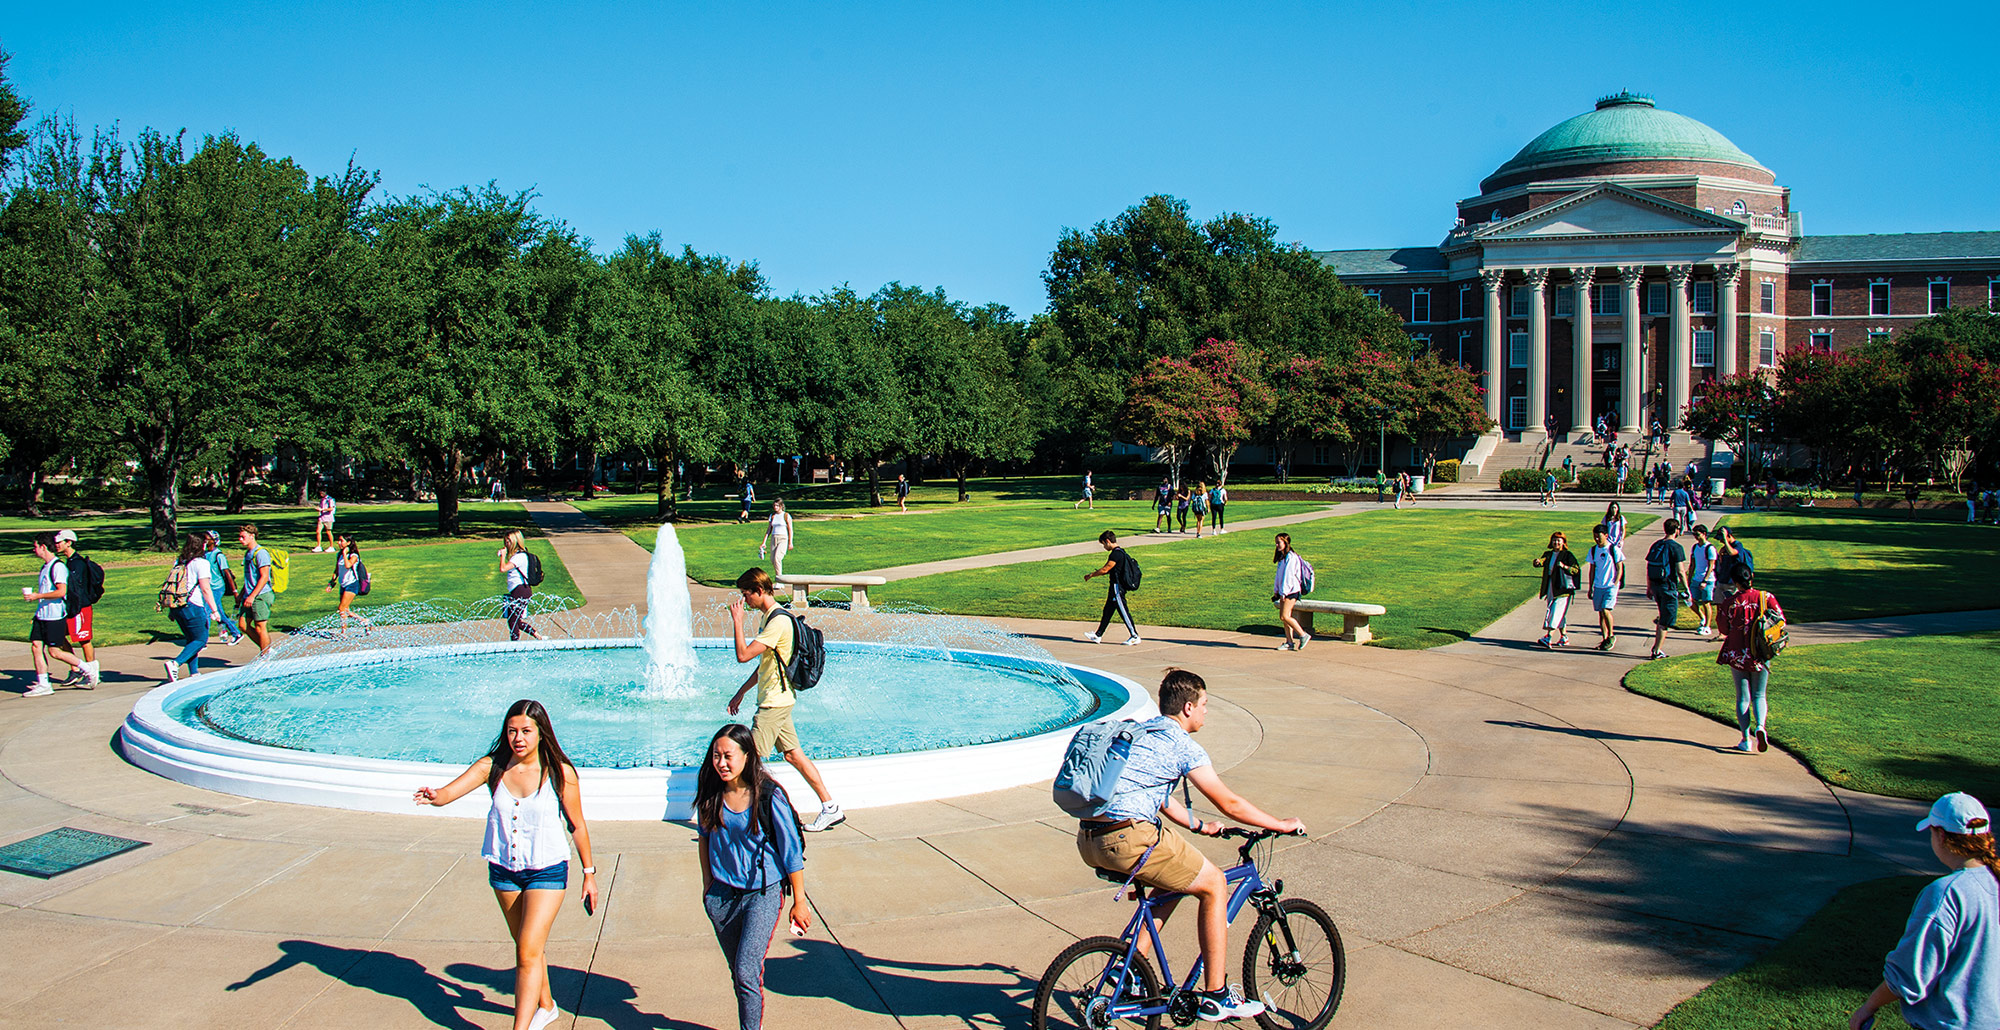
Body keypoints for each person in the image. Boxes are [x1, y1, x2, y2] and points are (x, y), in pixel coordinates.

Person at [1074, 669, 1302, 1022]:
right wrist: (1281, 824)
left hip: (1091, 839)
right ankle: (1217, 996)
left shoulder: (1141, 733)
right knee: (1213, 884)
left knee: (1175, 882)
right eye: (1206, 705)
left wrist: (1199, 826)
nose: (1207, 712)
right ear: (1189, 707)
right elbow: (1231, 804)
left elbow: (1160, 798)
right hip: (1129, 837)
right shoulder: (1181, 745)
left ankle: (1129, 969)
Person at [414, 700, 599, 1030]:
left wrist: (589, 874)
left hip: (547, 870)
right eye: (512, 731)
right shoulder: (493, 766)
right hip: (503, 871)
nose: (519, 738)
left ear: (541, 733)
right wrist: (434, 795)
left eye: (526, 731)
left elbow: (578, 825)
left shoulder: (559, 771)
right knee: (529, 948)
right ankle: (546, 1005)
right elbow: (448, 793)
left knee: (527, 952)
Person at [1849, 792, 2000, 1030]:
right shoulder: (1994, 881)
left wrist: (1869, 1006)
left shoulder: (1947, 893)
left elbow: (1910, 974)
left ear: (1940, 834)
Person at [696, 723, 811, 1030]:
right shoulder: (712, 792)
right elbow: (704, 836)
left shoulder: (768, 796)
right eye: (716, 755)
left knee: (747, 971)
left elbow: (790, 851)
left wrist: (799, 901)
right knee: (740, 973)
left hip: (762, 894)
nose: (721, 763)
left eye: (728, 755)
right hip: (721, 897)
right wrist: (708, 885)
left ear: (748, 755)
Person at [726, 568, 845, 832]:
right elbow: (766, 665)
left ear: (758, 591)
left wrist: (737, 621)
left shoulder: (777, 622)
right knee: (793, 756)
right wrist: (741, 692)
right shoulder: (770, 618)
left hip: (773, 704)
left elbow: (743, 655)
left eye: (746, 595)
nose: (744, 601)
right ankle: (831, 808)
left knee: (748, 762)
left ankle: (754, 820)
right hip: (780, 699)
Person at [1715, 565, 1783, 752]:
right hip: (1760, 652)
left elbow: (1723, 630)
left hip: (1737, 652)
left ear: (1734, 581)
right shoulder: (1765, 597)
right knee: (1760, 694)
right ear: (1751, 576)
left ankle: (1746, 739)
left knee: (1743, 697)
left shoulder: (1730, 603)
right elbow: (1781, 620)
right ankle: (1760, 726)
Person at [22, 533, 86, 696]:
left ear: (43, 547)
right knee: (36, 646)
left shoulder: (58, 567)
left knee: (55, 652)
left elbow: (61, 591)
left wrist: (38, 596)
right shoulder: (45, 566)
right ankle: (43, 683)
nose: (34, 549)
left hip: (54, 615)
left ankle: (87, 668)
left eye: (35, 546)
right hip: (42, 615)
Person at [162, 531, 221, 682]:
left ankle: (194, 673)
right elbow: (206, 589)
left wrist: (171, 610)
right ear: (201, 545)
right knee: (201, 640)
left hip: (177, 606)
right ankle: (175, 663)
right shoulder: (202, 563)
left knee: (191, 639)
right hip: (193, 606)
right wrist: (215, 610)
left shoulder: (180, 561)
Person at [51, 530, 103, 684]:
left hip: (80, 607)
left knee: (84, 639)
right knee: (59, 637)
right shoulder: (69, 562)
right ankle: (76, 668)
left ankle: (92, 672)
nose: (57, 545)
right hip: (72, 607)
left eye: (60, 542)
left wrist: (74, 607)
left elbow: (76, 590)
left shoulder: (77, 563)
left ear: (69, 542)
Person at [1081, 530, 1140, 646]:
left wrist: (1091, 575)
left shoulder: (1116, 554)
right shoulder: (1121, 552)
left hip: (1117, 587)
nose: (1104, 547)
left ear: (1108, 541)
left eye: (1103, 544)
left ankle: (1134, 635)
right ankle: (1098, 635)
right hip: (1114, 587)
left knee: (1123, 611)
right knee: (1107, 611)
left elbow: (1105, 569)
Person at [1642, 520, 1690, 661]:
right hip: (1668, 586)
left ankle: (1657, 648)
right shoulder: (1675, 547)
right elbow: (1680, 571)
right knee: (1665, 620)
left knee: (1663, 615)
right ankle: (1656, 650)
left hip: (1656, 585)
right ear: (1676, 530)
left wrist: (1649, 587)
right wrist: (1686, 589)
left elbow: (1648, 567)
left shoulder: (1657, 545)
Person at [1533, 531, 1581, 648]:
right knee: (1559, 613)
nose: (1556, 542)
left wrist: (1565, 567)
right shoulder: (1548, 555)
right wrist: (1537, 562)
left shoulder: (1567, 555)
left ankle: (1548, 636)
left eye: (1559, 540)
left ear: (1563, 542)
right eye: (1554, 540)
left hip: (1563, 589)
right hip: (1551, 587)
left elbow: (1576, 570)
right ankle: (1564, 637)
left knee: (1555, 612)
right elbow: (1542, 561)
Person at [197, 530, 244, 648]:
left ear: (214, 540)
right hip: (209, 587)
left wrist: (234, 591)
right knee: (219, 613)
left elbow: (227, 573)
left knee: (207, 612)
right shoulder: (205, 554)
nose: (205, 540)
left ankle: (202, 641)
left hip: (217, 587)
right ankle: (236, 633)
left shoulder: (219, 555)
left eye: (208, 538)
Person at [236, 525, 277, 657]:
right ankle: (266, 649)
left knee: (260, 626)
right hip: (249, 595)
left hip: (260, 595)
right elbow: (250, 578)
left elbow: (264, 577)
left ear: (252, 536)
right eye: (240, 536)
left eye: (243, 537)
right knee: (242, 625)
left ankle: (265, 656)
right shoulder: (248, 553)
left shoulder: (261, 553)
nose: (240, 539)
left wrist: (252, 596)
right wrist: (242, 594)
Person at [1582, 523, 1622, 651]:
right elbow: (1592, 569)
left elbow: (1620, 567)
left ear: (1606, 535)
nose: (1597, 539)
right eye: (1595, 537)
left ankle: (1611, 635)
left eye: (1599, 536)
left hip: (1610, 585)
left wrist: (1615, 582)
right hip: (1598, 585)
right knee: (1600, 613)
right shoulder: (1593, 550)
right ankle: (1605, 638)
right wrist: (1590, 587)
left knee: (1606, 610)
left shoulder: (1613, 549)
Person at [325, 533, 373, 636]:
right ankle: (365, 621)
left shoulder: (353, 555)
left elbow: (348, 565)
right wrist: (331, 583)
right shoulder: (339, 555)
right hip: (343, 584)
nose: (338, 543)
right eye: (339, 540)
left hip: (352, 584)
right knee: (345, 609)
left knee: (341, 608)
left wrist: (344, 554)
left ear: (348, 543)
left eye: (341, 541)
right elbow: (337, 570)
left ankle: (343, 632)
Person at [499, 530, 541, 642]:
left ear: (515, 541)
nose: (506, 543)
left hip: (521, 590)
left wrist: (502, 556)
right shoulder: (518, 556)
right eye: (505, 541)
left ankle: (515, 644)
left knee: (513, 620)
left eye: (508, 541)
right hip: (518, 590)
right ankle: (538, 636)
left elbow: (503, 569)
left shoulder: (519, 557)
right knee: (515, 620)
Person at [1271, 532, 1311, 651]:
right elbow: (1279, 576)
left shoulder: (1291, 557)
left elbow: (1288, 577)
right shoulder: (1282, 558)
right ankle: (1289, 642)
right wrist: (1276, 591)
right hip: (1284, 591)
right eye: (1276, 543)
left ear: (1285, 542)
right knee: (1285, 616)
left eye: (1279, 542)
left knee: (1284, 616)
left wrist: (1283, 592)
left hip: (1291, 591)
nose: (1277, 545)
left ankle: (1303, 635)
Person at [1687, 524, 1719, 638]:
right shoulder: (1695, 547)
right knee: (1690, 601)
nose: (1695, 536)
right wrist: (1689, 578)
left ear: (1704, 534)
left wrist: (1705, 580)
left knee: (1706, 603)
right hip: (1696, 579)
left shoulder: (1710, 548)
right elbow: (1692, 564)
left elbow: (1711, 566)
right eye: (1694, 534)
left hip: (1708, 580)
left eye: (1697, 534)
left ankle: (1707, 626)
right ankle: (1702, 618)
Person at [1714, 525, 1754, 603]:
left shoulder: (1738, 545)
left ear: (1729, 536)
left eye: (1721, 538)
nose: (1721, 541)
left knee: (1731, 604)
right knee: (1719, 604)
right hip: (1722, 580)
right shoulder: (1725, 548)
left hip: (1731, 583)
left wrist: (1725, 540)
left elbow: (1732, 553)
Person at [759, 499, 796, 578]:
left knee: (777, 558)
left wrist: (790, 542)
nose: (775, 507)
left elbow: (790, 530)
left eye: (777, 506)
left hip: (783, 538)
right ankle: (779, 576)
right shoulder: (772, 516)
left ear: (781, 506)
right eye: (774, 506)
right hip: (774, 537)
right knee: (773, 559)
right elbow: (769, 530)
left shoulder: (786, 515)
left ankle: (779, 579)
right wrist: (764, 542)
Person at [312, 488, 337, 553]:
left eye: (322, 493)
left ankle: (331, 546)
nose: (321, 494)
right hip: (321, 517)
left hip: (328, 518)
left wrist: (322, 509)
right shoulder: (322, 500)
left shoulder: (330, 499)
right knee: (318, 531)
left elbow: (331, 508)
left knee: (328, 532)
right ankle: (319, 546)